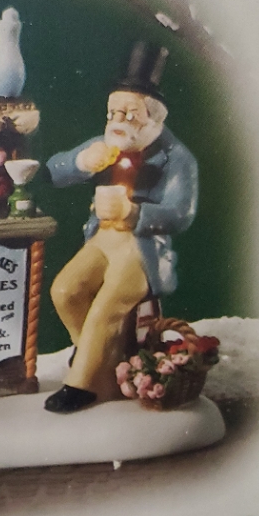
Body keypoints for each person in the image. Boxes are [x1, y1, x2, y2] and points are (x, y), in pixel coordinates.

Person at [44, 42, 198, 413]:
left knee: (105, 308)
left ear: (153, 118)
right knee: (64, 291)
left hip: (141, 247)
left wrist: (134, 213)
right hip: (103, 237)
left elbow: (181, 214)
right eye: (114, 112)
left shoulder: (177, 159)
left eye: (130, 114)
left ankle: (80, 385)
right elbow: (53, 171)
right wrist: (82, 162)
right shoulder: (107, 142)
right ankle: (99, 359)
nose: (119, 121)